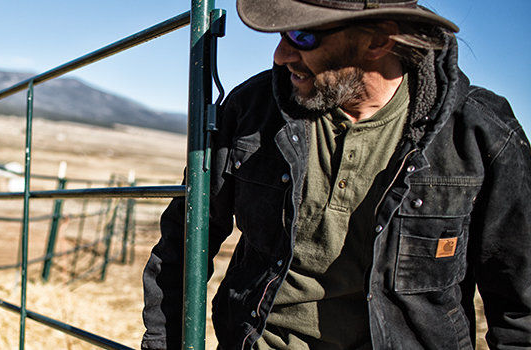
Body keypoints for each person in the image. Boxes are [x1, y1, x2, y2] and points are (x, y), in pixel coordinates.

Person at [141, 0, 531, 349]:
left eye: (302, 35)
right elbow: (181, 245)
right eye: (281, 34)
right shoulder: (250, 111)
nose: (280, 55)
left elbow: (520, 308)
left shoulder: (482, 135)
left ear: (378, 41)